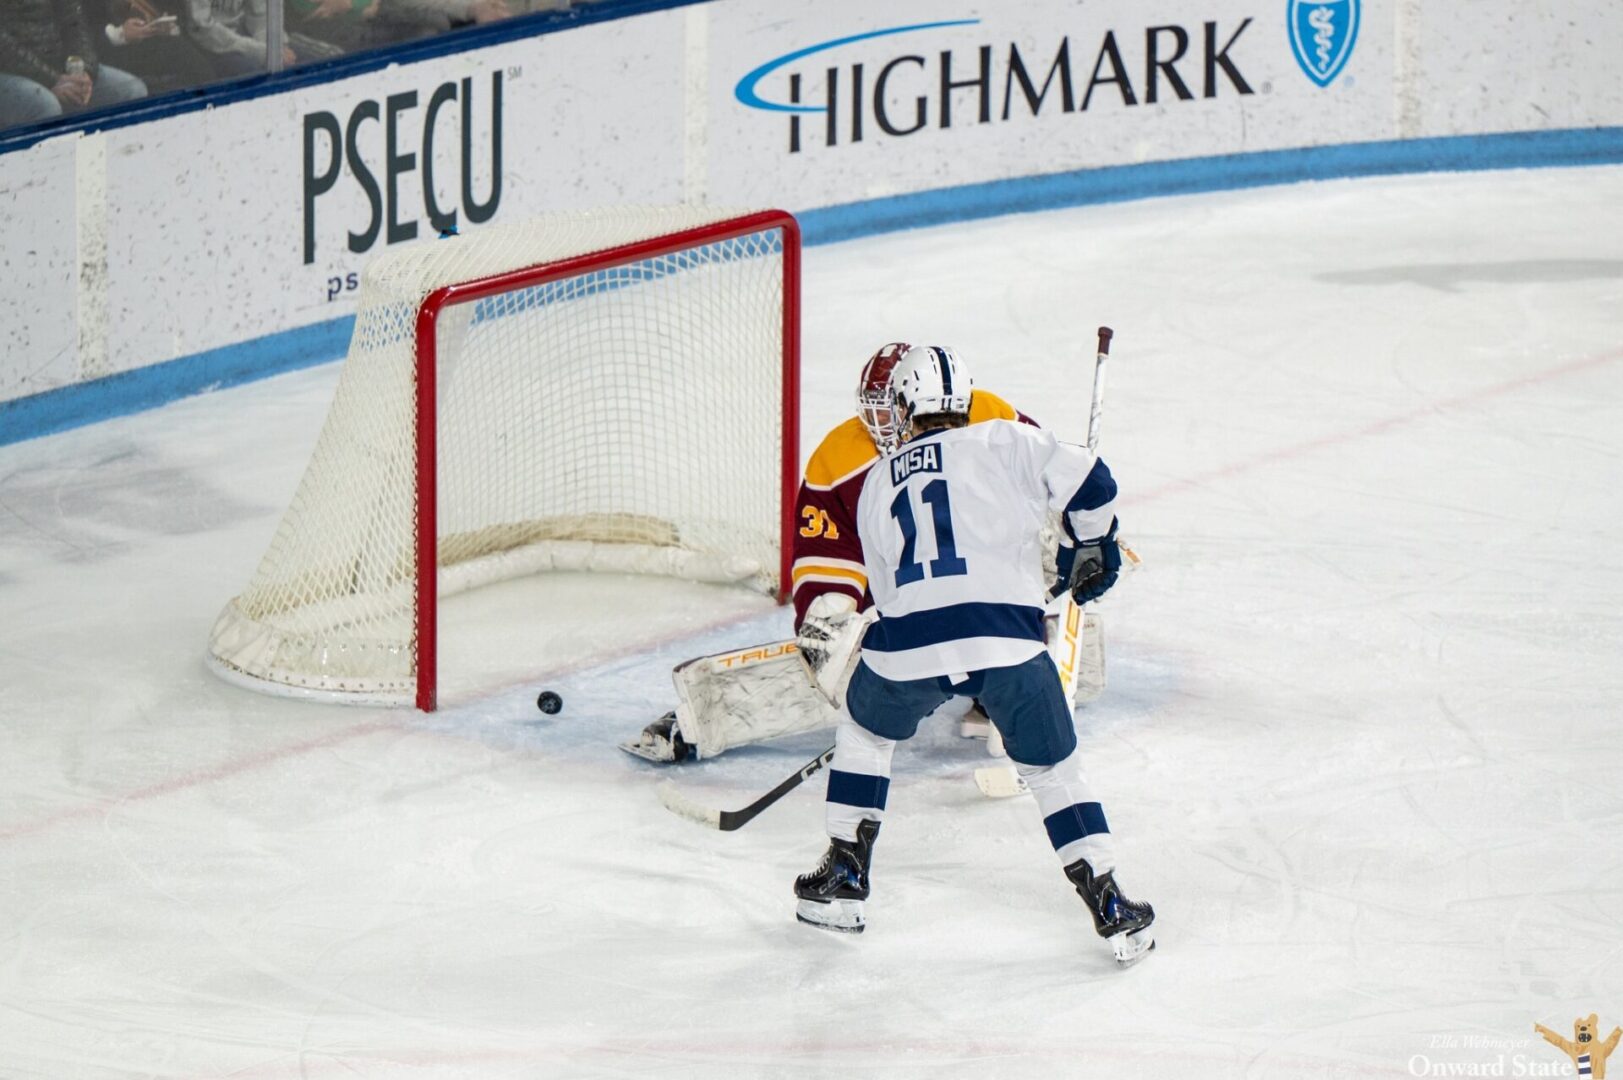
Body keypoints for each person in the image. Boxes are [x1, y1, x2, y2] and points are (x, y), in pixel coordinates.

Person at [792, 344, 1155, 966]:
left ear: (905, 407)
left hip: (905, 650)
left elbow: (886, 588)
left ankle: (844, 878)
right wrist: (1089, 545)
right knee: (1052, 771)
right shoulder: (1006, 439)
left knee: (865, 732)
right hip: (1006, 644)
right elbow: (1093, 482)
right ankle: (1111, 905)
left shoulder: (878, 480)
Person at [619, 343, 1105, 764]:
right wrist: (830, 631)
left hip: (992, 596)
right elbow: (827, 565)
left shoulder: (991, 418)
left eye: (890, 409)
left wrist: (1084, 542)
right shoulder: (840, 459)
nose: (883, 426)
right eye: (872, 411)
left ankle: (1007, 687)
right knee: (835, 652)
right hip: (908, 610)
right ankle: (708, 719)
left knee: (1048, 543)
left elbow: (1050, 496)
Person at [0, 0, 147, 128]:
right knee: (44, 105)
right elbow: (5, 48)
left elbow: (75, 23)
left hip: (55, 66)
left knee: (130, 89)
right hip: (9, 71)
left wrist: (83, 71)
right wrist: (52, 80)